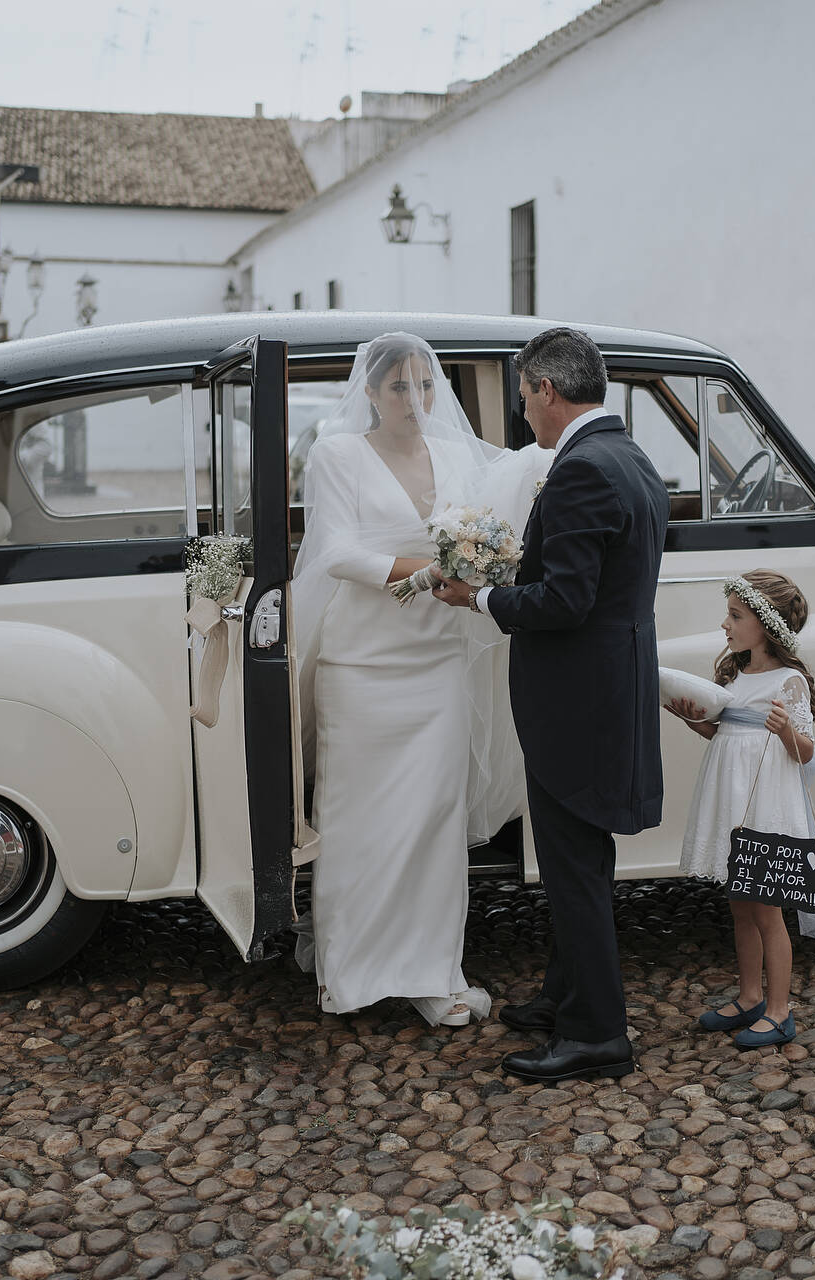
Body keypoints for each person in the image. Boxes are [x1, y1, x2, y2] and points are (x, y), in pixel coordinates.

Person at [292, 333, 552, 1028]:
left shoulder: (458, 456)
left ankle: (434, 974)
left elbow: (503, 515)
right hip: (363, 666)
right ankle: (349, 974)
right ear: (371, 393)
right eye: (399, 387)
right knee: (358, 822)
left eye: (425, 386)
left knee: (432, 822)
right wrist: (429, 573)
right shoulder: (335, 453)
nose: (415, 400)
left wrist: (485, 561)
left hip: (437, 662)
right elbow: (337, 551)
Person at [432, 327, 668, 1083]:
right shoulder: (627, 457)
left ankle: (597, 1034)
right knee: (581, 860)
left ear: (548, 391)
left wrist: (481, 596)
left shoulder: (583, 472)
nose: (523, 414)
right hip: (604, 690)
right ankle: (566, 996)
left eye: (525, 397)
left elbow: (563, 601)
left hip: (576, 701)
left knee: (572, 868)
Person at [667, 571, 815, 1048]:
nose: (725, 625)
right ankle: (749, 995)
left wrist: (784, 730)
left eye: (735, 616)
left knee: (767, 911)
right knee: (740, 906)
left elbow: (806, 754)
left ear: (764, 623)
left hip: (764, 803)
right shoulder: (735, 675)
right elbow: (724, 733)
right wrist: (690, 717)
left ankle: (781, 1011)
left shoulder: (789, 680)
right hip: (730, 797)